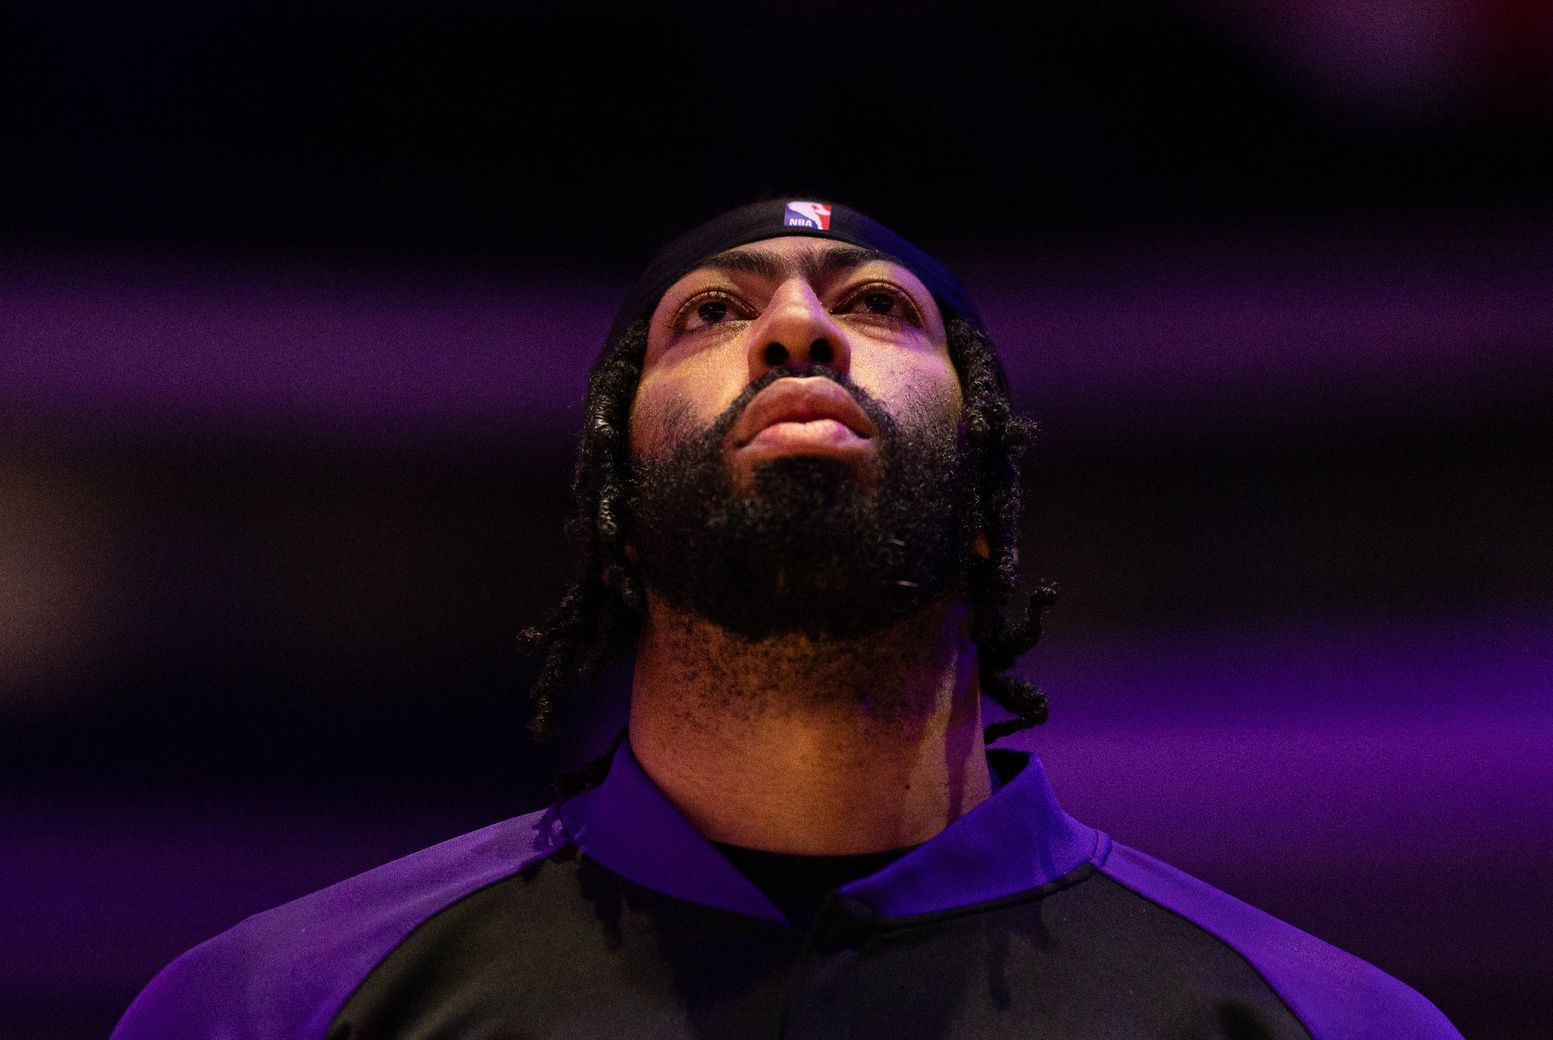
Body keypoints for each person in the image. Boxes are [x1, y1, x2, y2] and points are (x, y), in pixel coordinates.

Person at [112, 198, 1462, 1039]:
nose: (797, 328)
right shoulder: (276, 1009)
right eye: (712, 313)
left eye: (878, 308)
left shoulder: (1320, 1024)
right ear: (621, 513)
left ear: (987, 497)